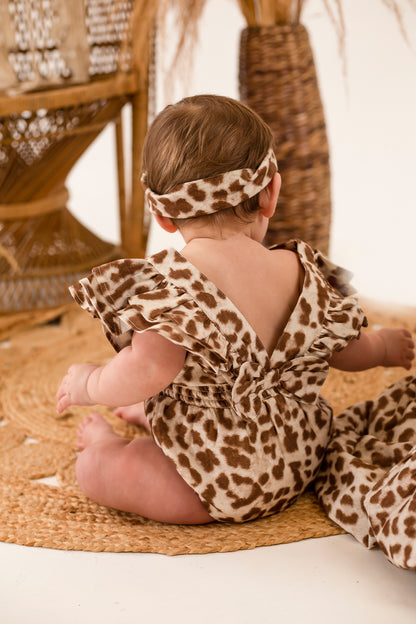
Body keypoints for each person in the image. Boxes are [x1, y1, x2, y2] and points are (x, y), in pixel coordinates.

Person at [56, 94, 414, 525]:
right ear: (270, 194)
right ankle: (158, 416)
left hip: (214, 484)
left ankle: (108, 444)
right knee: (182, 395)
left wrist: (89, 383)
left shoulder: (170, 287)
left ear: (162, 214)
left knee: (95, 470)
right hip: (300, 459)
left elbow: (146, 371)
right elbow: (345, 349)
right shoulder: (301, 270)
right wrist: (381, 348)